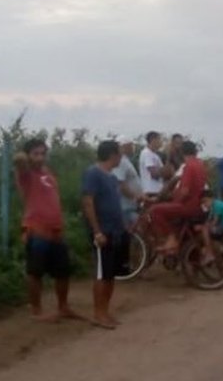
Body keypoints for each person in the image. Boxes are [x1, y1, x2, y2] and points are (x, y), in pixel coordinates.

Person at [14, 138, 80, 322]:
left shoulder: (47, 173)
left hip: (56, 231)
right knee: (35, 273)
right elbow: (18, 159)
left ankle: (63, 307)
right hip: (36, 230)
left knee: (63, 271)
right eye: (36, 153)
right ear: (28, 156)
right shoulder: (25, 173)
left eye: (43, 153)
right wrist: (27, 159)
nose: (41, 157)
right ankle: (36, 310)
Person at [81, 140, 128, 330]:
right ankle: (98, 314)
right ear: (112, 155)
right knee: (102, 274)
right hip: (103, 232)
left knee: (110, 274)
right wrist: (97, 231)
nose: (121, 158)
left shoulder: (111, 177)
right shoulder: (93, 173)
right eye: (119, 154)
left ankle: (105, 312)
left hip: (115, 231)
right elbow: (88, 203)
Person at [149, 141, 207, 254]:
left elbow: (185, 191)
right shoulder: (199, 165)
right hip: (198, 204)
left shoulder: (188, 166)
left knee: (154, 210)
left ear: (182, 153)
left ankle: (172, 239)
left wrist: (175, 200)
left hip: (188, 205)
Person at [112, 136, 143, 227]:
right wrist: (135, 197)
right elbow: (121, 184)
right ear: (124, 146)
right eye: (130, 145)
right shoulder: (121, 161)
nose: (133, 147)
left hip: (131, 205)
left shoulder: (125, 160)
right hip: (126, 206)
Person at [139, 131, 164, 196]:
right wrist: (166, 171)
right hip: (151, 191)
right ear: (153, 140)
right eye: (159, 139)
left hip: (156, 190)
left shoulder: (154, 154)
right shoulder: (147, 153)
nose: (161, 142)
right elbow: (154, 174)